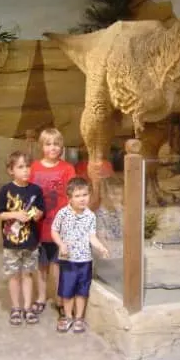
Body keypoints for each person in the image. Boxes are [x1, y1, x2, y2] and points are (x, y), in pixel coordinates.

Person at [51, 177, 109, 333]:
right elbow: (54, 230)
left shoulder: (90, 216)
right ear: (69, 198)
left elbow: (92, 236)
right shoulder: (63, 214)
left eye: (85, 195)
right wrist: (61, 244)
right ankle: (68, 316)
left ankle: (79, 318)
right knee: (67, 290)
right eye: (77, 196)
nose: (82, 199)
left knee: (82, 290)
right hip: (68, 260)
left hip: (85, 261)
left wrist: (100, 247)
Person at [0, 150, 44, 326]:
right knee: (14, 276)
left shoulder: (36, 190)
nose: (26, 170)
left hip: (30, 242)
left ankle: (28, 307)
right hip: (11, 243)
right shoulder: (5, 190)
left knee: (28, 275)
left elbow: (41, 213)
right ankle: (16, 307)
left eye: (28, 166)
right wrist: (15, 214)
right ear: (11, 170)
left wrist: (36, 215)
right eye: (21, 167)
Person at [29, 128, 75, 316]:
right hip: (38, 226)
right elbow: (28, 195)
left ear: (61, 146)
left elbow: (72, 196)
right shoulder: (34, 168)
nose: (52, 148)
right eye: (48, 144)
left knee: (57, 266)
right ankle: (41, 297)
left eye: (56, 144)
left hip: (59, 227)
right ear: (42, 146)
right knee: (41, 265)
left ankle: (59, 298)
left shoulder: (67, 169)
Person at [95, 176, 124, 259]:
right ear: (103, 194)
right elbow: (102, 242)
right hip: (109, 258)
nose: (117, 198)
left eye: (120, 194)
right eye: (114, 194)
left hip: (123, 255)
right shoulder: (99, 216)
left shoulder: (122, 211)